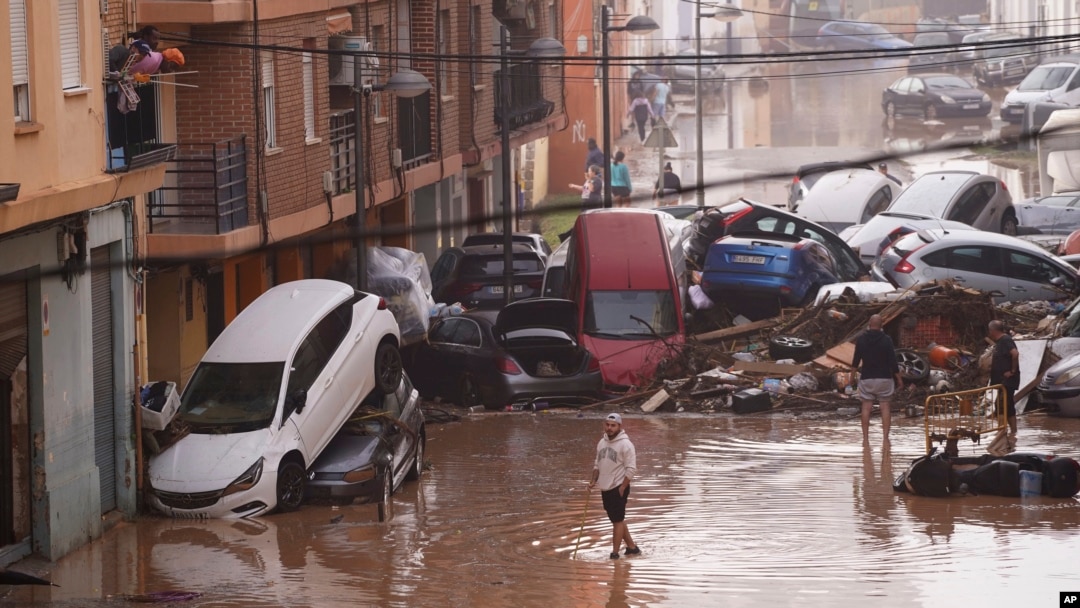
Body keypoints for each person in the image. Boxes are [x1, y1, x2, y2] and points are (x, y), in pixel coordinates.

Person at [589, 413, 640, 559]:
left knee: (617, 520)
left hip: (618, 486)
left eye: (613, 425)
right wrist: (593, 481)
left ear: (619, 427)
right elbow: (597, 465)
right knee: (617, 518)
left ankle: (615, 553)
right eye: (607, 425)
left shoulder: (626, 444)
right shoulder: (601, 443)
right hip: (605, 486)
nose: (609, 428)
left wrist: (623, 487)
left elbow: (631, 469)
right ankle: (632, 548)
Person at [851, 314, 904, 442]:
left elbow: (856, 360)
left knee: (866, 407)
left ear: (869, 323)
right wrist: (899, 378)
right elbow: (892, 361)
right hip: (884, 378)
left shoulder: (861, 339)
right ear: (881, 325)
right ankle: (885, 438)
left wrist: (852, 377)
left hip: (867, 378)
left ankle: (865, 438)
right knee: (885, 407)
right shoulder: (887, 340)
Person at [988, 320, 1020, 443]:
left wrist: (1012, 371)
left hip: (1007, 381)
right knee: (1009, 406)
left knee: (1000, 406)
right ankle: (1013, 433)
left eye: (990, 330)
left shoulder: (1005, 340)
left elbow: (1015, 354)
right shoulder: (1000, 342)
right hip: (1003, 381)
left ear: (993, 330)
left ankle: (1001, 433)